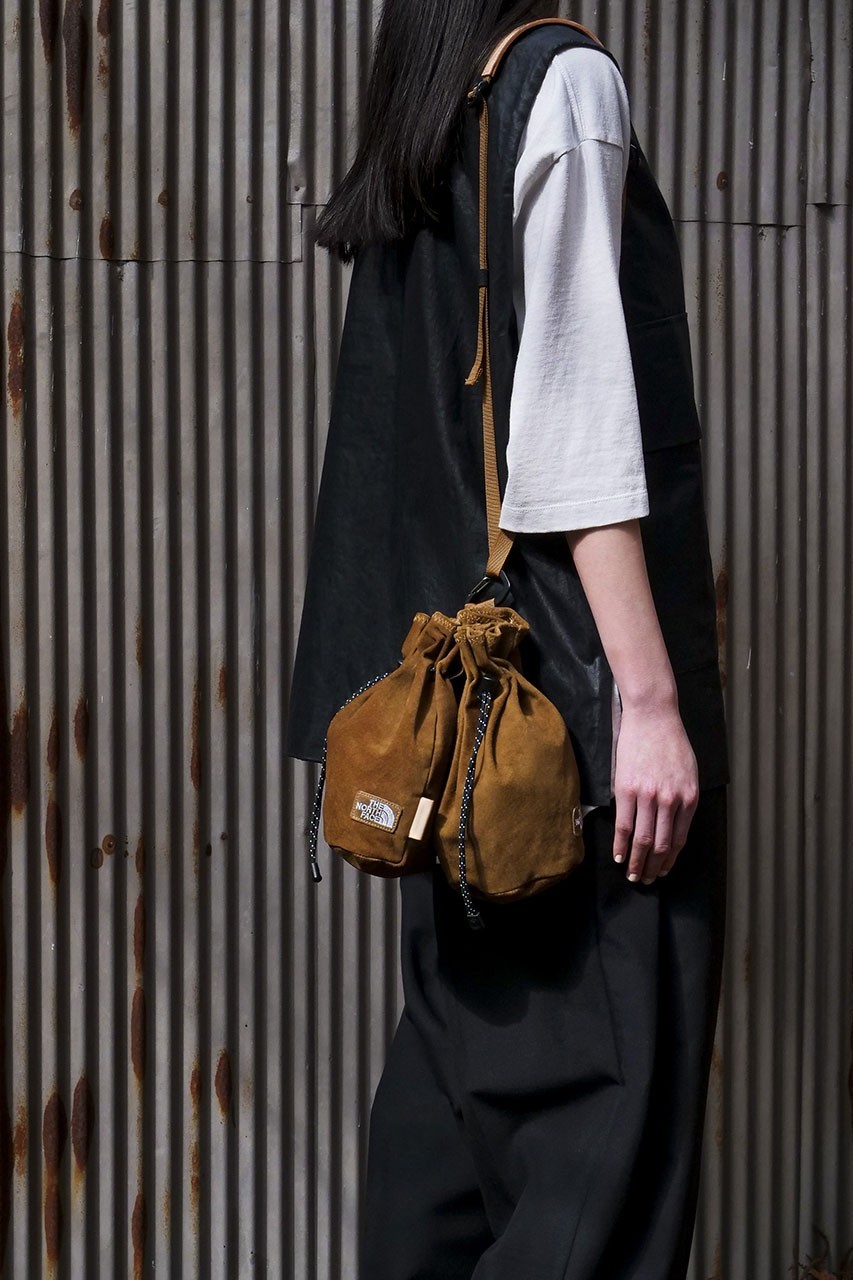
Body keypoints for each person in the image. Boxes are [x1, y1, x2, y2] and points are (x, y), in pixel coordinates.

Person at [286, 2, 730, 1276]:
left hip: (454, 734)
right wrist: (649, 705)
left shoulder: (432, 106)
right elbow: (573, 440)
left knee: (449, 1132)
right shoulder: (561, 84)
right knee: (605, 1153)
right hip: (564, 737)